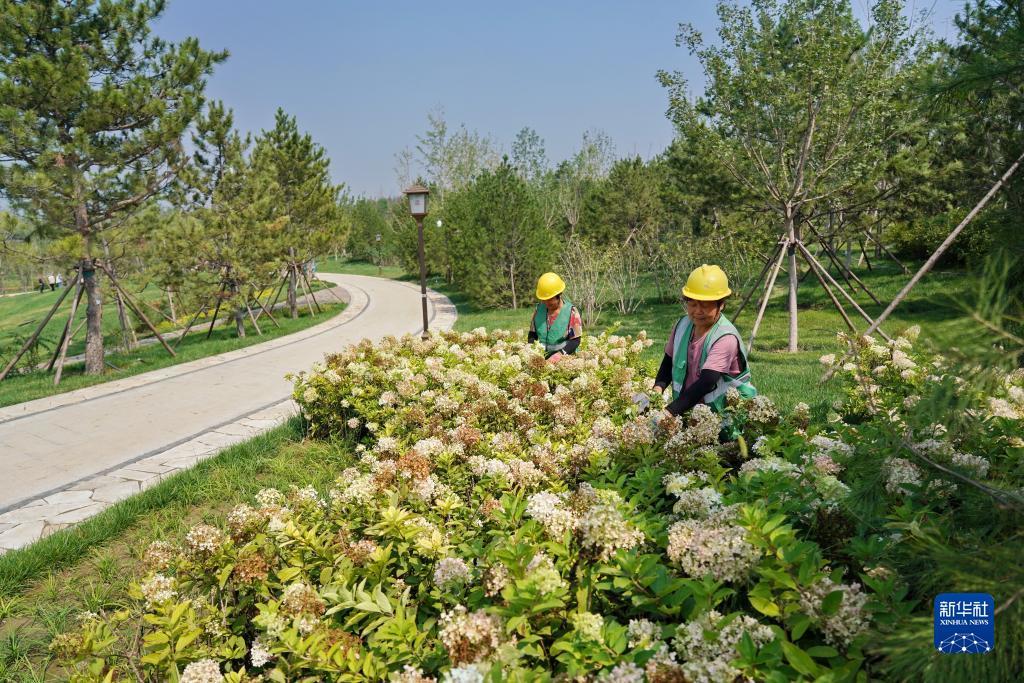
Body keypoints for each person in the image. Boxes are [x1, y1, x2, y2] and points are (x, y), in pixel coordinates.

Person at [641, 264, 756, 418]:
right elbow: (668, 362)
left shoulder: (725, 338)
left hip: (727, 417)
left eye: (705, 306)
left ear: (721, 305)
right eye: (692, 304)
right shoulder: (682, 325)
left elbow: (707, 382)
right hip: (693, 412)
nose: (697, 311)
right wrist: (656, 391)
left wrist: (669, 412)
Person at [528, 272, 583, 362]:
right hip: (542, 358)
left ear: (559, 295)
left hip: (565, 359)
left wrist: (559, 355)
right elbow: (532, 334)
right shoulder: (538, 310)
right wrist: (530, 349)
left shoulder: (571, 312)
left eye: (550, 299)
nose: (546, 303)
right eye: (544, 299)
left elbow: (575, 340)